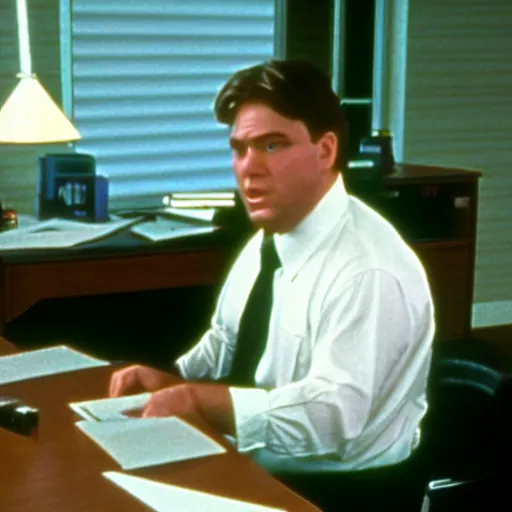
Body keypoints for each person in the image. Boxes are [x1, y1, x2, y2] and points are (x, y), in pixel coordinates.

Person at [108, 59, 435, 510]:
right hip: (254, 467)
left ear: (325, 151)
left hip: (336, 494)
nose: (249, 169)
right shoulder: (271, 239)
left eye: (272, 145)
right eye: (239, 149)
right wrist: (168, 383)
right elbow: (225, 345)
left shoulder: (367, 269)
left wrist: (198, 399)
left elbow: (332, 418)